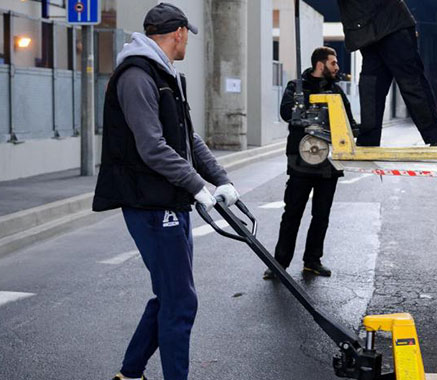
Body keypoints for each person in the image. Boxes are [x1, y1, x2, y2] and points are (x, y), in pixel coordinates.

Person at [92, 4, 239, 380]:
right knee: (179, 300)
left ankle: (130, 373)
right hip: (150, 203)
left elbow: (187, 138)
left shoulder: (165, 74)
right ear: (177, 33)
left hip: (168, 200)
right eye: (186, 32)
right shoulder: (137, 76)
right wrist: (196, 185)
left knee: (170, 296)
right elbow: (152, 146)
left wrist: (221, 180)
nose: (186, 38)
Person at [264, 47, 357, 280]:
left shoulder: (336, 91)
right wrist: (302, 106)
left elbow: (349, 123)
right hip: (300, 162)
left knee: (321, 215)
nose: (337, 67)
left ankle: (312, 262)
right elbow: (286, 113)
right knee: (292, 213)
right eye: (333, 63)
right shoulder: (295, 87)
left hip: (328, 164)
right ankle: (279, 264)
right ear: (320, 64)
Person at [337, 0, 437, 147]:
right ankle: (369, 139)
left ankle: (435, 136)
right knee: (370, 87)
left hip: (393, 27)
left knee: (410, 83)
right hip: (368, 35)